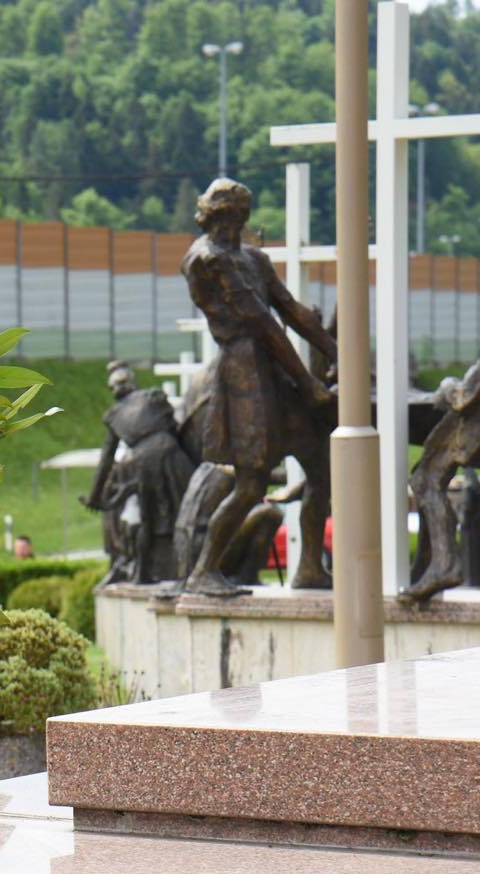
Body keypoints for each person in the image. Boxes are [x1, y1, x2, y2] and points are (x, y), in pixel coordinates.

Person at [177, 178, 337, 596]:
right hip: (245, 372)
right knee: (252, 483)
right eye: (228, 213)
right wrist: (307, 381)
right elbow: (261, 323)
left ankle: (309, 568)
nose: (234, 221)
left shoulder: (253, 258)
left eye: (238, 214)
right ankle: (203, 572)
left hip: (274, 370)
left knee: (320, 467)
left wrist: (339, 354)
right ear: (214, 214)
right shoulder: (206, 259)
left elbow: (290, 311)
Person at [402, 292, 480, 602]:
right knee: (428, 480)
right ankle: (426, 566)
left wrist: (444, 387)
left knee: (425, 480)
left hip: (468, 431)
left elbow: (464, 395)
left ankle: (443, 564)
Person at [81, 362, 195, 585]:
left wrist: (95, 496)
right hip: (158, 456)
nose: (116, 389)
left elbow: (106, 458)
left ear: (130, 382)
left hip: (159, 455)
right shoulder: (129, 408)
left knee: (180, 506)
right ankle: (147, 570)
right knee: (155, 517)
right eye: (112, 386)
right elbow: (106, 457)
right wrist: (95, 495)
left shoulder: (149, 399)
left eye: (119, 384)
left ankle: (160, 569)